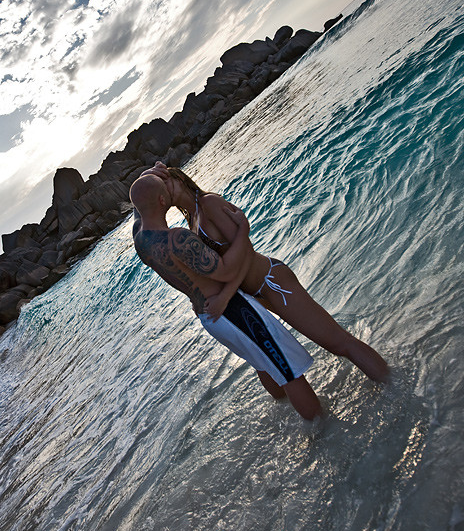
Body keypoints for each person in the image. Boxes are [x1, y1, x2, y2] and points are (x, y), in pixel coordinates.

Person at [145, 162, 390, 400]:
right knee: (269, 369)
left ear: (180, 178)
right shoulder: (192, 221)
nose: (164, 188)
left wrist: (225, 296)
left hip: (271, 281)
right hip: (253, 296)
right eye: (160, 185)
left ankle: (396, 387)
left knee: (338, 343)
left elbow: (246, 251)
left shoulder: (209, 203)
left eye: (167, 181)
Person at [130, 171, 323, 419]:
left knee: (263, 364)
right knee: (289, 372)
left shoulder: (141, 241)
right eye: (164, 191)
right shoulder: (177, 238)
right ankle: (322, 429)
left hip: (208, 316)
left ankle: (283, 414)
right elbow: (225, 271)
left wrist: (149, 179)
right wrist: (243, 229)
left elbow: (140, 205)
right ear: (161, 202)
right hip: (232, 311)